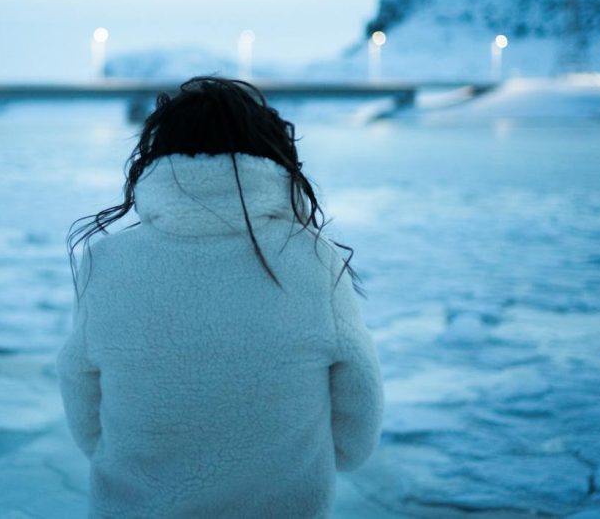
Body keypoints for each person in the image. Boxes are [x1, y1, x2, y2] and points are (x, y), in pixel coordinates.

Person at [57, 76, 384, 518]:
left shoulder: (105, 262)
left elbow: (83, 404)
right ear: (272, 153)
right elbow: (356, 427)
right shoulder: (313, 261)